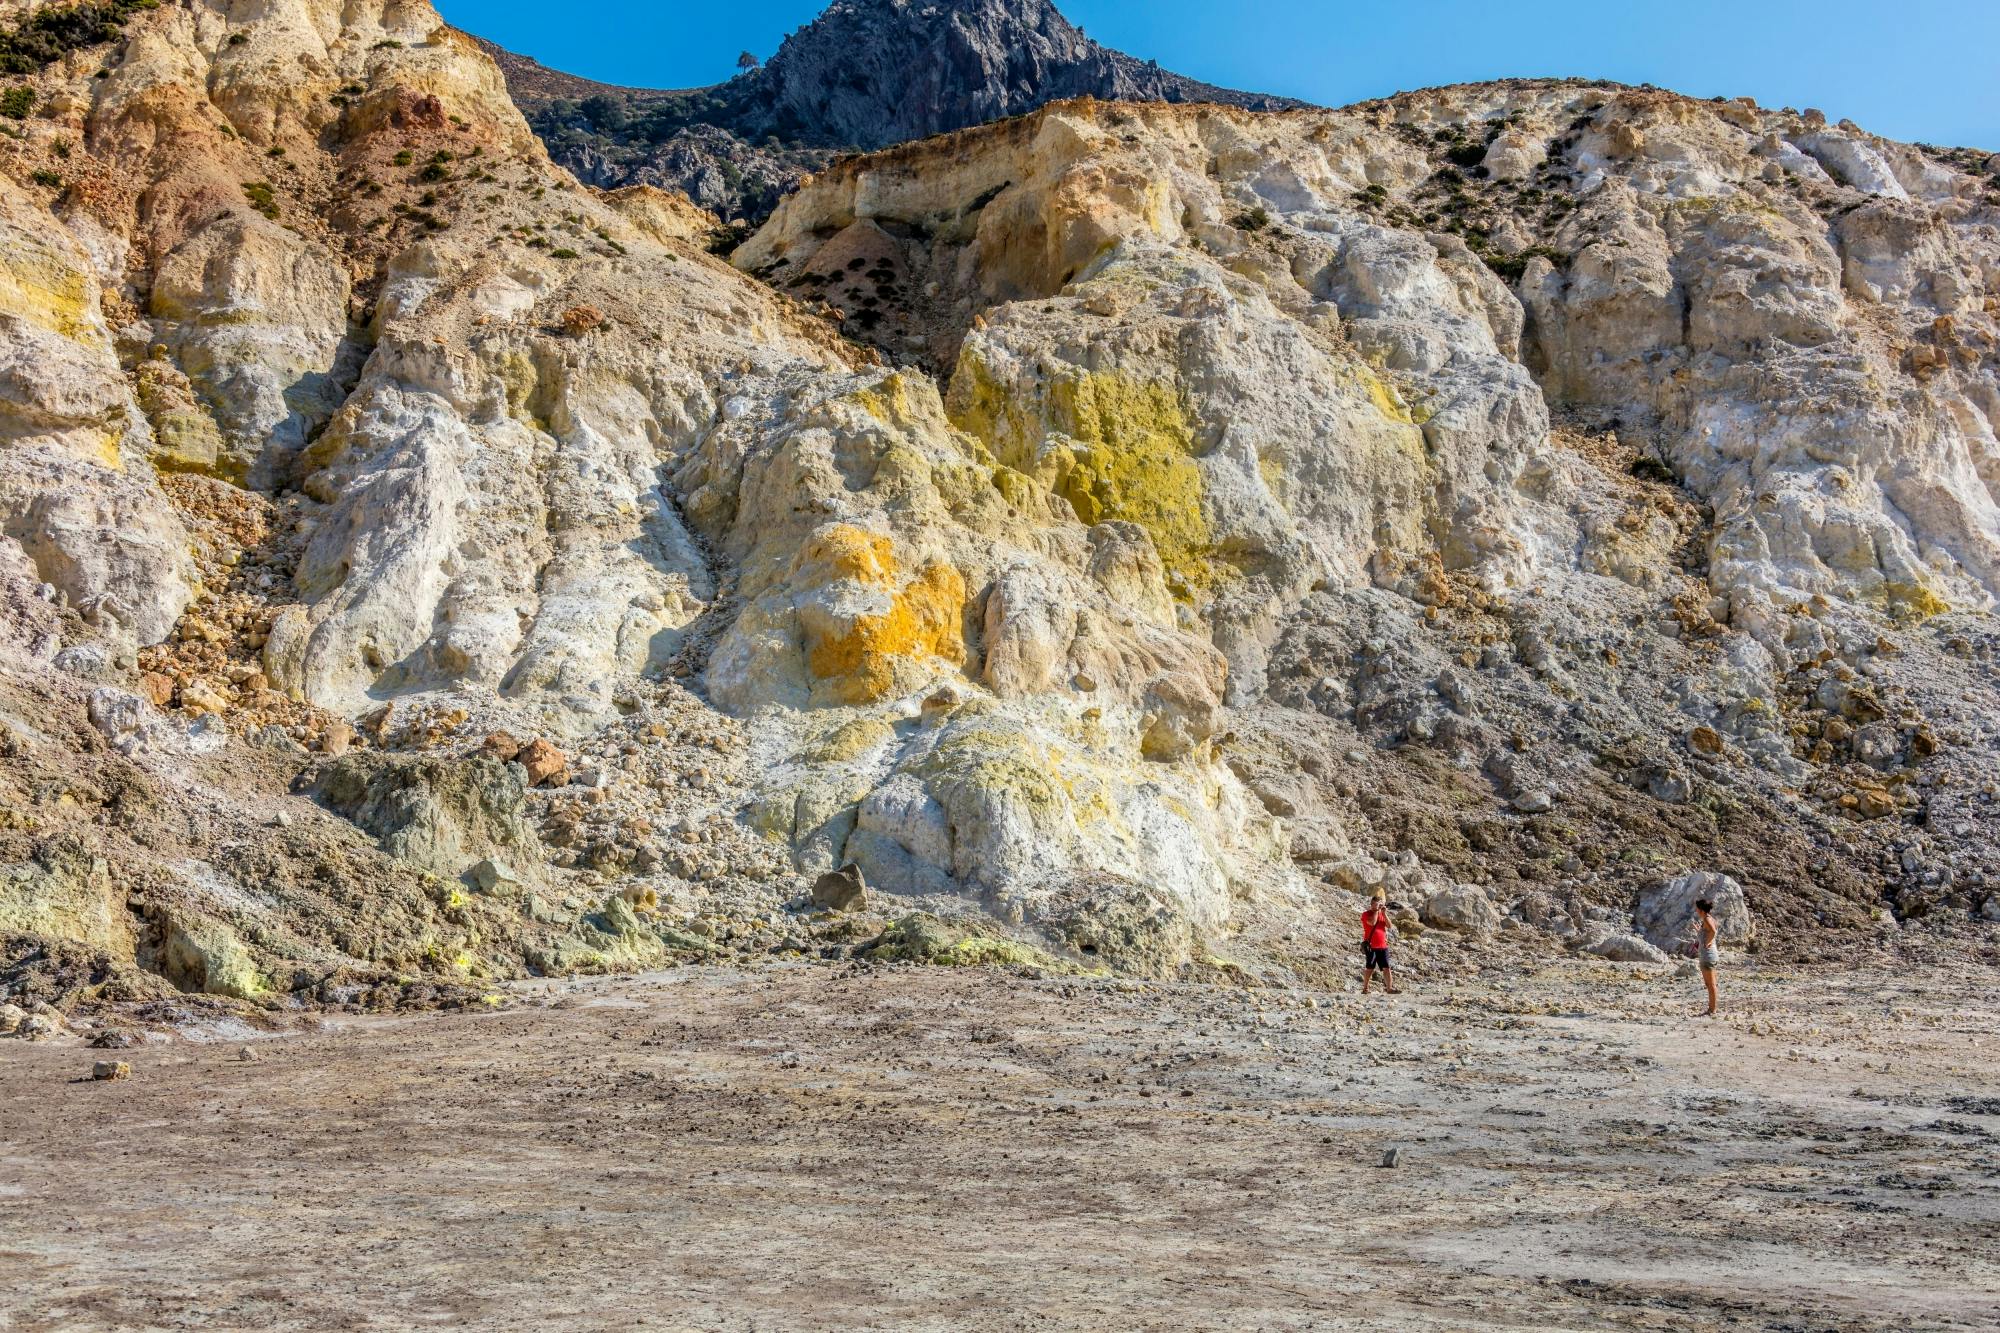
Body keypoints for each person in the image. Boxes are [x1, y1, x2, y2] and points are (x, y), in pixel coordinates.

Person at [1360, 889, 1399, 994]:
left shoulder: (1382, 914)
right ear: (1372, 904)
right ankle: (1365, 988)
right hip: (1371, 946)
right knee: (1370, 967)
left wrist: (1384, 913)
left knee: (1386, 967)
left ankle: (1389, 988)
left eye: (1379, 904)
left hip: (1383, 946)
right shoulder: (1366, 914)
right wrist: (1377, 911)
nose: (1378, 906)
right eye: (1376, 904)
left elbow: (1390, 926)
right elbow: (1372, 923)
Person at [1693, 897, 1720, 1017]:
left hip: (1708, 955)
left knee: (1711, 984)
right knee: (1710, 984)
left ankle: (1712, 1010)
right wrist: (1699, 930)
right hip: (1710, 955)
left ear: (1701, 910)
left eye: (1697, 909)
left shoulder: (1707, 919)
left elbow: (1713, 931)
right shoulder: (1709, 918)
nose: (1696, 910)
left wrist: (1707, 942)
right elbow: (1709, 932)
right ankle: (1711, 1008)